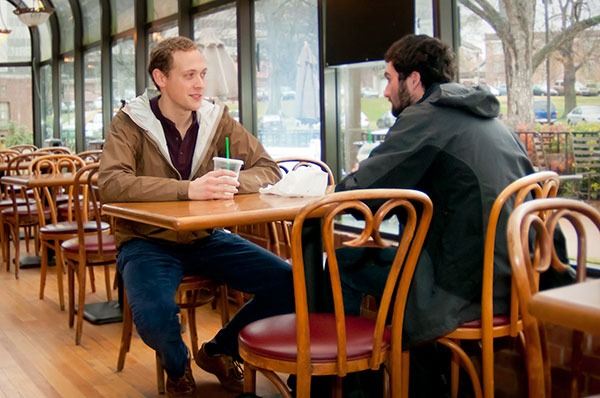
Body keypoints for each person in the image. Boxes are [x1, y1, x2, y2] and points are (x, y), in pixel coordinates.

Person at [334, 34, 537, 396]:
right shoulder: (487, 117)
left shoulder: (425, 117)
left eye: (388, 78)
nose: (385, 91)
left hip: (463, 288)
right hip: (518, 280)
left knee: (342, 263)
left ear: (413, 80)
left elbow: (357, 193)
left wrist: (351, 178)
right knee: (394, 262)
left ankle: (348, 390)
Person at [98, 37, 294, 398]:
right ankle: (178, 365)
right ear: (160, 77)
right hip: (146, 240)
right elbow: (110, 183)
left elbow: (269, 168)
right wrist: (188, 189)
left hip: (204, 236)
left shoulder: (216, 118)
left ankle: (218, 351)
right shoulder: (129, 122)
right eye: (189, 75)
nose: (201, 84)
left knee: (289, 282)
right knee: (156, 316)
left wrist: (228, 183)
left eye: (202, 74)